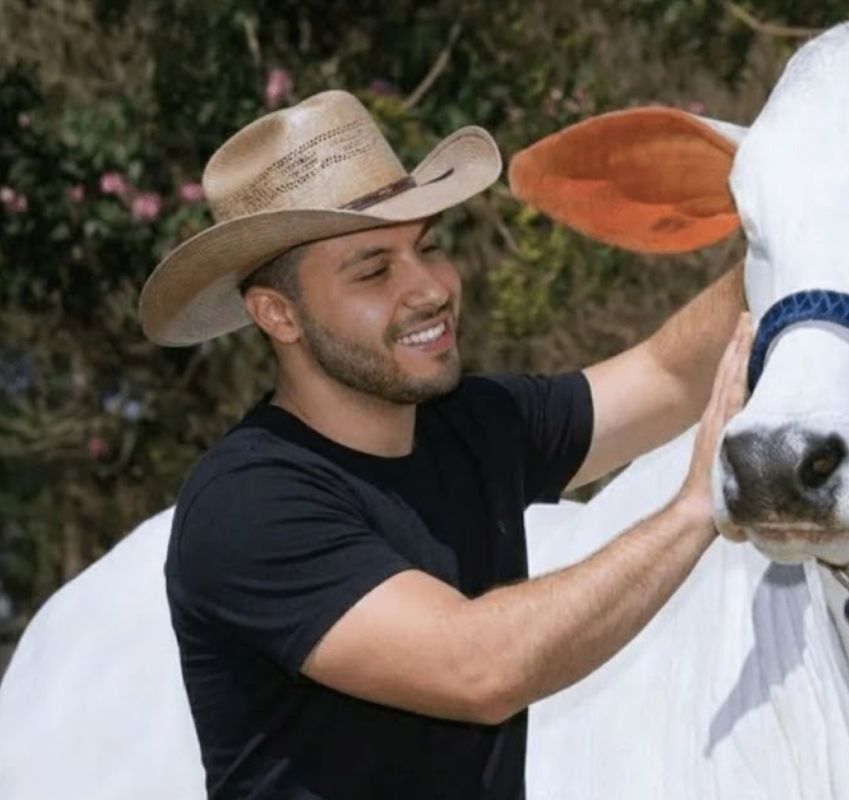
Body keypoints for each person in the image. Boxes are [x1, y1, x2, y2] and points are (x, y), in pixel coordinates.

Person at [139, 89, 749, 799]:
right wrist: (693, 510)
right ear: (278, 314)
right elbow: (479, 669)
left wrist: (798, 245)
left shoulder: (470, 423)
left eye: (427, 246)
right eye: (374, 270)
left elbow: (664, 374)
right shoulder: (250, 503)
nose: (429, 288)